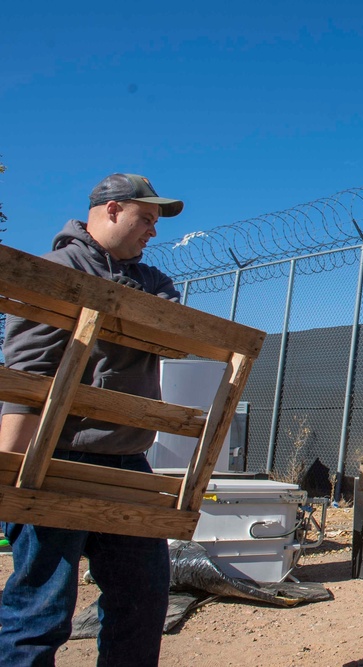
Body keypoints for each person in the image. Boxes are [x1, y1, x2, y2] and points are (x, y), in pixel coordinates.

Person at [0, 173, 184, 666]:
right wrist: (13, 470)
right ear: (110, 210)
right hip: (57, 458)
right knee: (41, 608)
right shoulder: (54, 271)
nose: (153, 231)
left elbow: (172, 330)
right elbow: (27, 370)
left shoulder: (154, 282)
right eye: (146, 218)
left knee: (143, 597)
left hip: (127, 463)